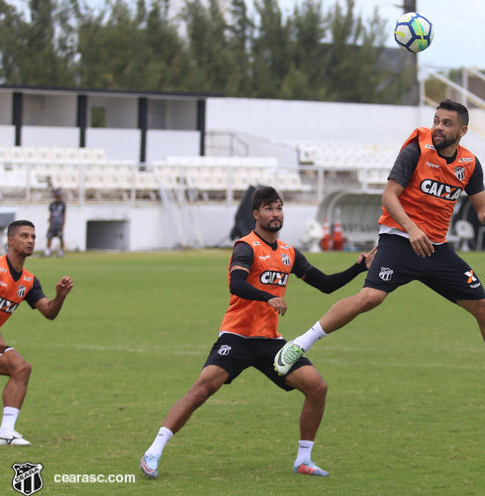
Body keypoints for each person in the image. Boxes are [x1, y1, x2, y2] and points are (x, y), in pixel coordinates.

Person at [274, 99, 485, 405]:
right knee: (371, 297)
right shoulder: (416, 149)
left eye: (446, 123)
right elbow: (389, 196)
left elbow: (482, 208)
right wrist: (412, 229)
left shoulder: (469, 164)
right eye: (436, 120)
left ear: (463, 130)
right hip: (399, 239)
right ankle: (299, 344)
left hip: (435, 248)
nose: (438, 128)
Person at [140, 186, 376, 479]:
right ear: (256, 214)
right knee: (202, 389)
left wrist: (358, 268)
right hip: (237, 337)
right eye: (268, 209)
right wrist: (268, 297)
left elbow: (325, 285)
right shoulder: (246, 246)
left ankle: (303, 460)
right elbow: (236, 284)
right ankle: (153, 451)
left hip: (270, 343)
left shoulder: (289, 253)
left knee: (317, 387)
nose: (275, 214)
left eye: (278, 208)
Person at [0, 220, 74, 446]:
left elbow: (48, 312)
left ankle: (5, 433)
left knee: (21, 368)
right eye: (25, 236)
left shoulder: (28, 280)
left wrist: (60, 296)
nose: (30, 241)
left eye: (34, 237)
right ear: (10, 241)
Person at [45, 190, 66, 257]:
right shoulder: (52, 205)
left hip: (59, 225)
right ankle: (48, 251)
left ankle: (61, 252)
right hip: (53, 225)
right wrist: (50, 224)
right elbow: (51, 215)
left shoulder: (62, 205)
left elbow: (64, 216)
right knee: (49, 237)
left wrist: (62, 226)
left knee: (61, 238)